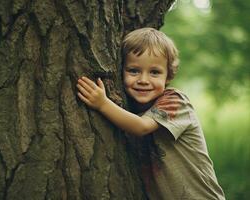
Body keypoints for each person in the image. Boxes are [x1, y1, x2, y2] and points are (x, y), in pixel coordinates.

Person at [76, 27, 225, 200]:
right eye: (134, 70)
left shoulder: (176, 101)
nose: (143, 80)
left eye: (154, 72)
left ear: (168, 76)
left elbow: (142, 127)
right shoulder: (131, 111)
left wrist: (102, 104)